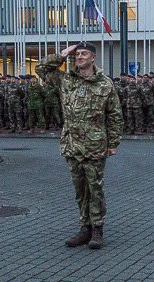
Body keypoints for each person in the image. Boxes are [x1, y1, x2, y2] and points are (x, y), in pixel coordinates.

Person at [36, 41, 123, 250]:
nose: (80, 57)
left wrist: (113, 142)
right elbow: (41, 68)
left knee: (95, 188)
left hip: (95, 144)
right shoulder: (65, 80)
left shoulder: (105, 83)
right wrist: (63, 54)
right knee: (80, 189)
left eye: (84, 54)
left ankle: (97, 229)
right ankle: (84, 227)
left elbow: (114, 115)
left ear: (93, 57)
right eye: (78, 54)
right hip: (72, 143)